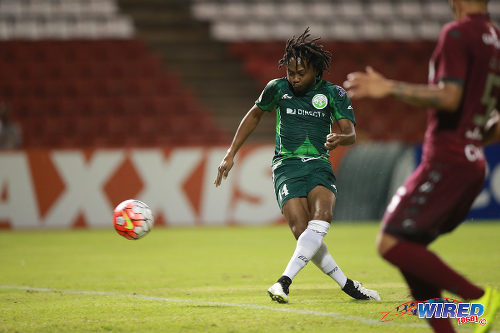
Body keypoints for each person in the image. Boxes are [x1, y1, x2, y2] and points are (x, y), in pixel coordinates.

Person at [343, 0, 500, 332]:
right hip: (471, 162)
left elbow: (448, 98)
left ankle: (477, 297)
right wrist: (471, 139)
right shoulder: (495, 39)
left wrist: (390, 88)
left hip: (447, 160)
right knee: (411, 254)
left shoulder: (457, 33)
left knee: (391, 243)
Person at [214, 28, 380, 304]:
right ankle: (348, 284)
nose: (294, 78)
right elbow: (254, 115)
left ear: (316, 70)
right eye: (290, 72)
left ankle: (283, 282)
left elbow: (350, 133)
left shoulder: (333, 94)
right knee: (303, 233)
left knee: (322, 216)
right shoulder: (277, 88)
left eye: (300, 72)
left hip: (318, 165)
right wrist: (231, 153)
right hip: (286, 167)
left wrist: (339, 138)